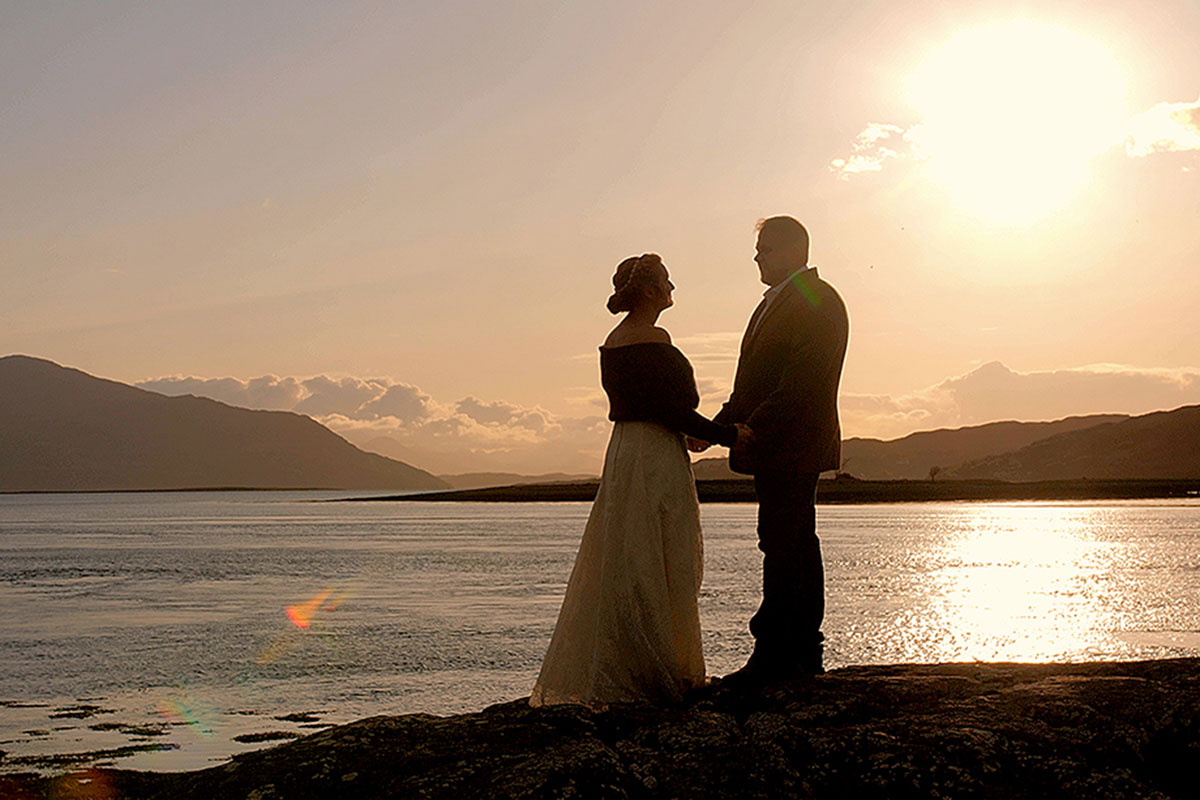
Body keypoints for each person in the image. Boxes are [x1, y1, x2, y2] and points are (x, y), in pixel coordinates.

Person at [530, 253, 743, 708]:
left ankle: (639, 661)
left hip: (627, 452)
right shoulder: (654, 339)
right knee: (664, 555)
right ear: (649, 291)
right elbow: (670, 410)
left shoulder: (614, 341)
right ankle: (664, 668)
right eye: (666, 281)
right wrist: (727, 434)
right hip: (655, 456)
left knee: (629, 556)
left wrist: (695, 431)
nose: (673, 287)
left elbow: (653, 406)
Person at [689, 216, 849, 684]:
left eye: (767, 249)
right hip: (778, 442)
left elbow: (802, 382)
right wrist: (718, 427)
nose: (757, 257)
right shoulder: (778, 303)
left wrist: (747, 429)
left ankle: (791, 653)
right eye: (759, 249)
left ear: (795, 250)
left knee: (790, 542)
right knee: (781, 540)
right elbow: (754, 384)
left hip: (793, 442)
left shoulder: (818, 301)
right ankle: (784, 649)